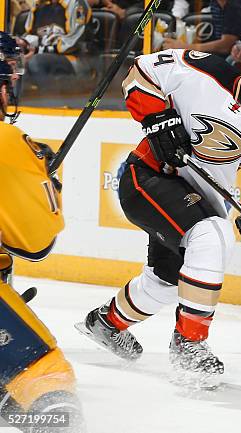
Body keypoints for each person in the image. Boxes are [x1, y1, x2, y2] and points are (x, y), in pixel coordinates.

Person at [80, 37, 241, 386]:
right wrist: (158, 117)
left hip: (195, 199)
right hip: (147, 176)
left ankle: (106, 323)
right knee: (214, 235)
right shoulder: (204, 69)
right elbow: (140, 73)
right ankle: (189, 344)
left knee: (168, 280)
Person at [0, 31, 85, 432]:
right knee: (43, 371)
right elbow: (35, 244)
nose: (12, 84)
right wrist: (44, 184)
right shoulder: (6, 141)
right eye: (7, 77)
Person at [20, 0, 91, 90]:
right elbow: (31, 34)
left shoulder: (76, 3)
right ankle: (15, 103)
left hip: (73, 58)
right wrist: (23, 43)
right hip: (42, 54)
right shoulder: (38, 4)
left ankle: (51, 99)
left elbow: (71, 43)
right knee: (16, 64)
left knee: (36, 62)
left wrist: (37, 51)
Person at [162, 0, 241, 58]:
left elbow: (225, 46)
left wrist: (184, 47)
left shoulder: (237, 5)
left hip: (240, 59)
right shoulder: (215, 3)